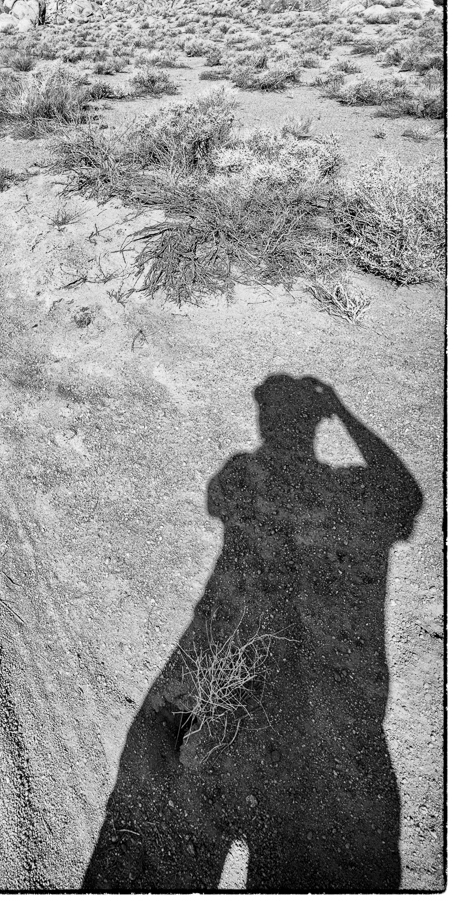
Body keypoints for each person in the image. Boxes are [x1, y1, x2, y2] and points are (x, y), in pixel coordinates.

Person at [84, 374, 423, 892]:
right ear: (318, 423)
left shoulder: (247, 472)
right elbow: (403, 493)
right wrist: (343, 412)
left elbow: (406, 497)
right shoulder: (322, 482)